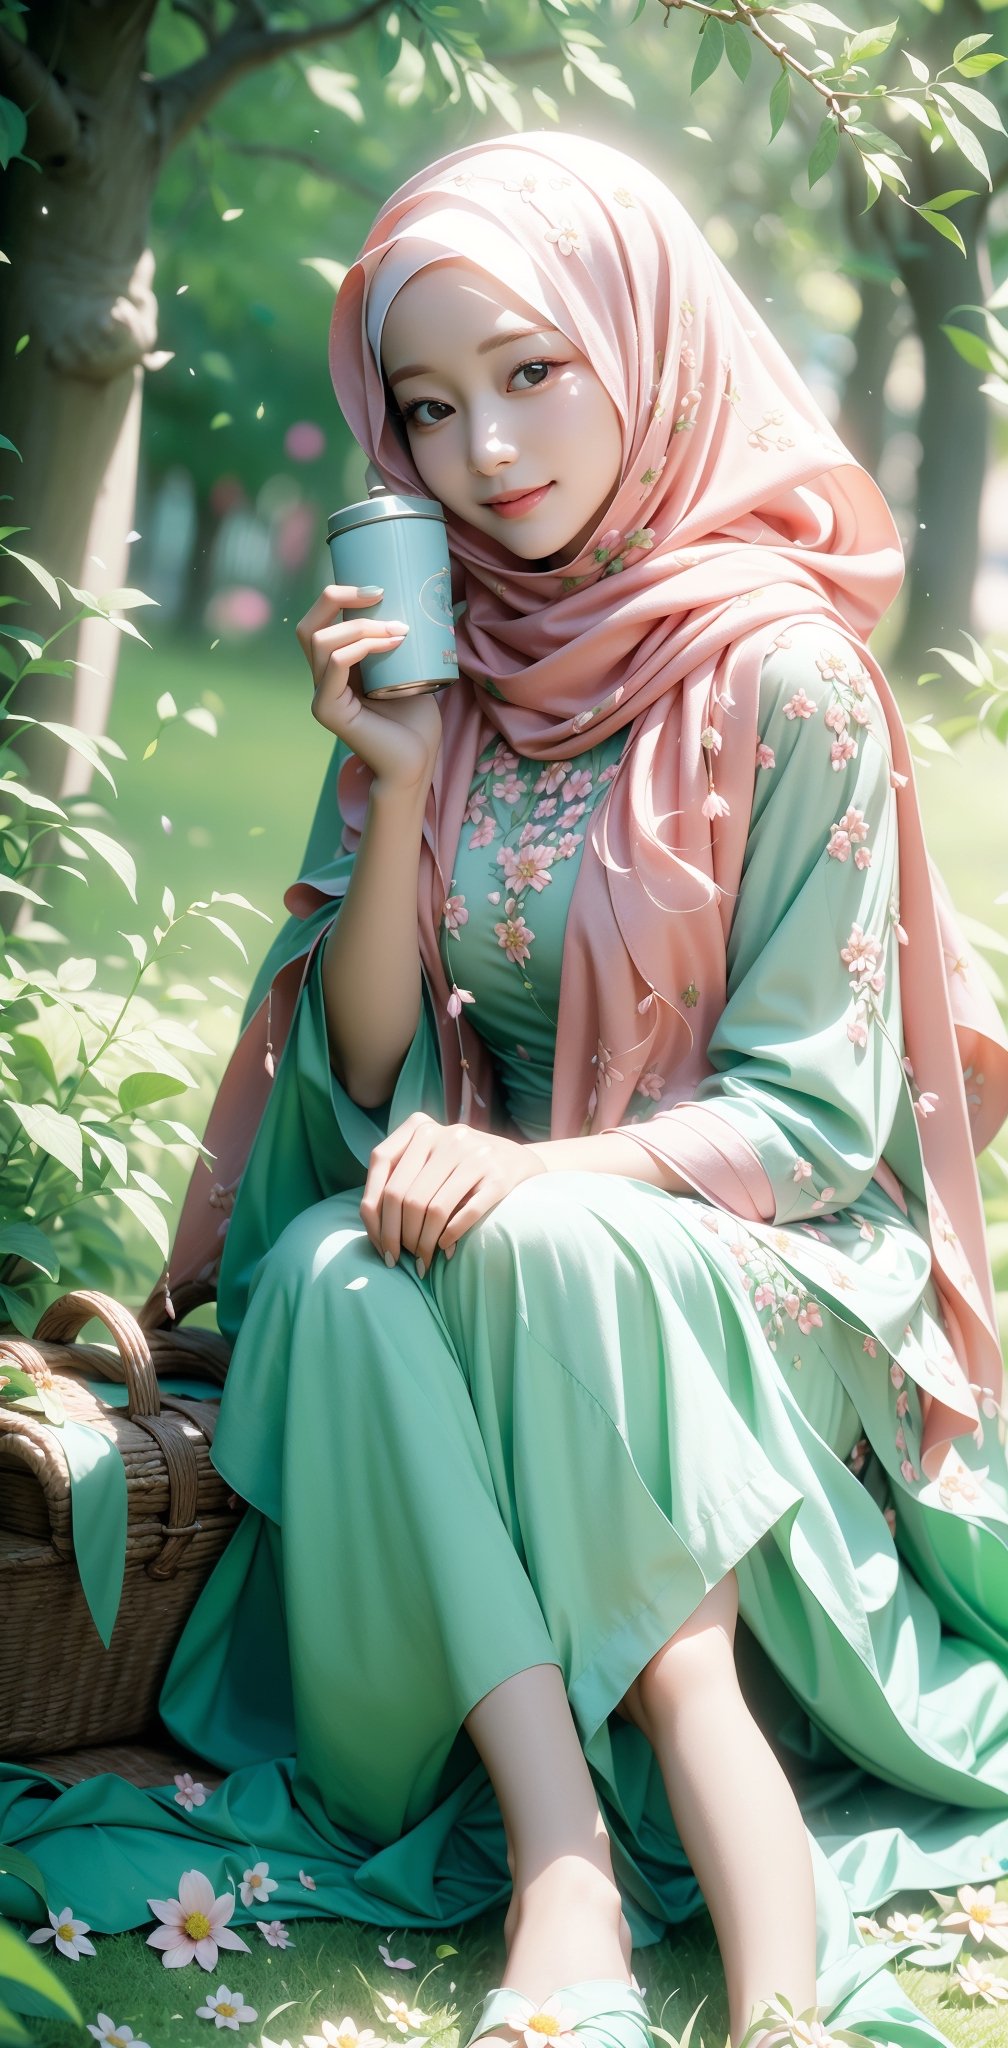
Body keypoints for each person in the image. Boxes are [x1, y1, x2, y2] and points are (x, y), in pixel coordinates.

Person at [4, 129, 1008, 2048]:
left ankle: (727, 1817)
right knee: (317, 1270)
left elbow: (814, 1124)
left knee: (556, 1262)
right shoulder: (440, 643)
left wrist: (561, 1179)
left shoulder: (782, 679)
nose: (486, 452)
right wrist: (393, 774)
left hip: (755, 1259)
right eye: (431, 406)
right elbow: (367, 1073)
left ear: (647, 340)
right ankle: (562, 1840)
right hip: (477, 1227)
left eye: (535, 371)